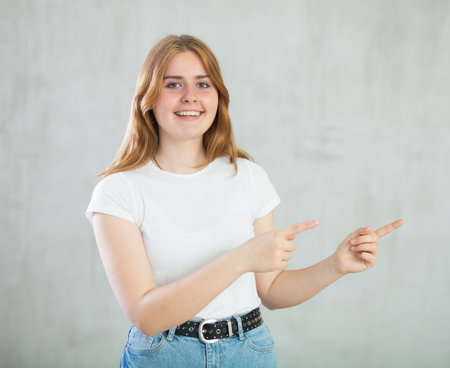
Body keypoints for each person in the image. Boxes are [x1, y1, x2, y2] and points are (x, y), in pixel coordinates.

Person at [86, 34, 403, 368]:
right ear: (148, 98)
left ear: (218, 97)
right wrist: (240, 260)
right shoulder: (119, 191)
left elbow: (272, 290)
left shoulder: (248, 176)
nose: (190, 97)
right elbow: (147, 317)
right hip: (164, 356)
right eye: (174, 84)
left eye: (203, 84)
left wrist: (336, 265)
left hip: (249, 352)